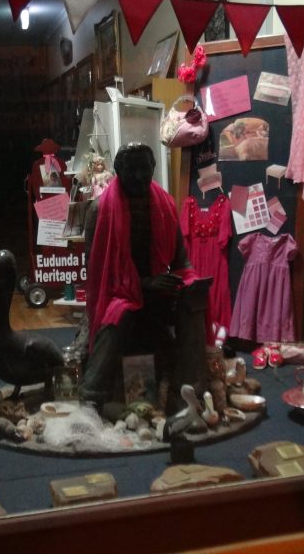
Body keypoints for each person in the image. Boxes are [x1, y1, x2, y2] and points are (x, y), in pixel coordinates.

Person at [80, 143, 211, 411]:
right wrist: (142, 284)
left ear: (153, 168)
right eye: (131, 170)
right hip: (118, 293)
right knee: (120, 313)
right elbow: (96, 275)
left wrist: (189, 281)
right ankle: (92, 391)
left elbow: (180, 259)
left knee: (192, 301)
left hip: (157, 292)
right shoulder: (99, 210)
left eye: (144, 169)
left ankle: (187, 391)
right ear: (118, 171)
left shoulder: (165, 204)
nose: (139, 176)